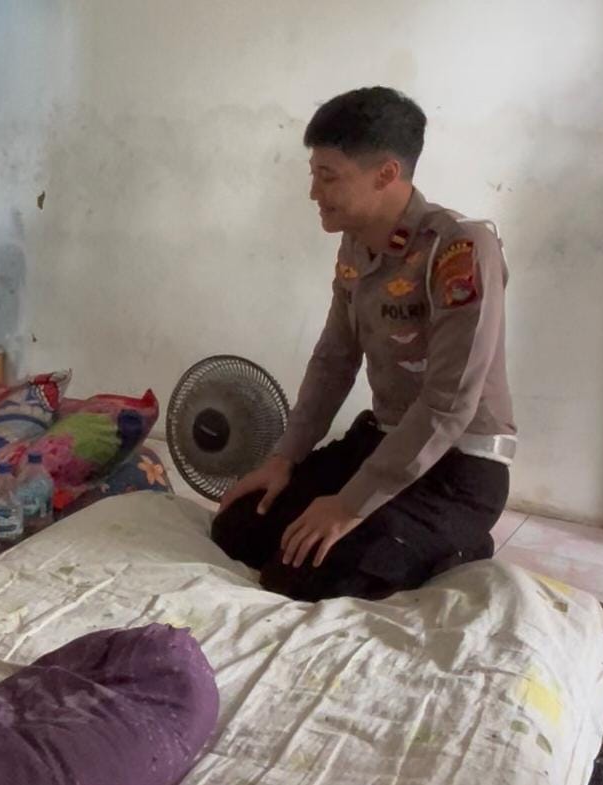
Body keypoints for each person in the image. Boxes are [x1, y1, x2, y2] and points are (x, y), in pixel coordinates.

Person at [212, 86, 517, 602]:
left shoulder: (460, 250)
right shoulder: (355, 246)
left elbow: (449, 404)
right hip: (382, 440)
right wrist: (283, 458)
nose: (314, 192)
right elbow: (334, 361)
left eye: (328, 176)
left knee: (311, 574)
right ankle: (400, 535)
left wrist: (350, 504)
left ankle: (460, 544)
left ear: (386, 174)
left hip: (459, 466)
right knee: (239, 527)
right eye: (313, 174)